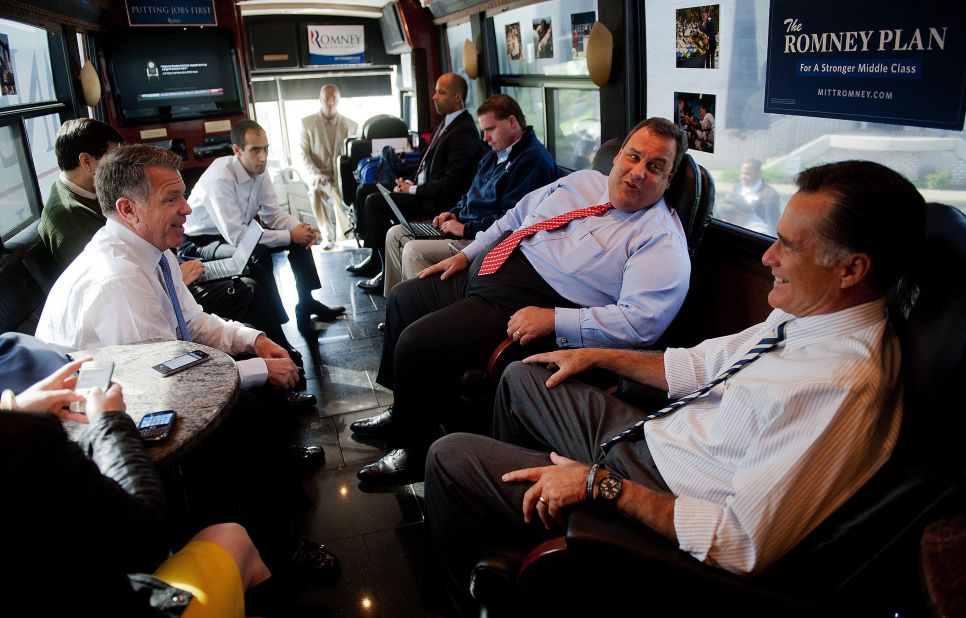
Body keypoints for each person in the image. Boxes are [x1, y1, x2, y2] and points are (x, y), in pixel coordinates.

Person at [423, 160, 927, 617]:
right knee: (525, 375)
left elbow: (740, 543)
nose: (768, 257)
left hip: (660, 493)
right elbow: (699, 365)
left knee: (449, 457)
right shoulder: (806, 315)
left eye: (789, 246)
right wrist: (593, 354)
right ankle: (527, 531)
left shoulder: (842, 386)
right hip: (658, 437)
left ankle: (508, 572)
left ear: (852, 269)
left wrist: (600, 486)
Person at [351, 117, 692, 484]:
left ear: (668, 180)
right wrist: (467, 254)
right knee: (404, 298)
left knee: (418, 343)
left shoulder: (661, 242)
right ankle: (404, 407)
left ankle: (413, 449)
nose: (637, 172)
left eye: (654, 167)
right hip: (490, 268)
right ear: (619, 154)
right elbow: (515, 217)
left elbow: (639, 323)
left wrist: (555, 319)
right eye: (634, 156)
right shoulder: (583, 181)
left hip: (532, 302)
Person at [0, 361, 272, 617]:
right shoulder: (29, 440)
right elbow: (145, 538)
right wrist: (110, 421)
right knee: (232, 536)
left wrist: (13, 408)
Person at [37, 119, 305, 374]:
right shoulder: (119, 278)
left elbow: (192, 322)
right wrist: (258, 369)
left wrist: (254, 340)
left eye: (183, 196)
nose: (187, 208)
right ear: (128, 209)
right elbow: (164, 372)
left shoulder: (158, 250)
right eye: (171, 199)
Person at [381, 94, 557, 295]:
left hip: (484, 239)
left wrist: (464, 229)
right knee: (395, 234)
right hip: (464, 226)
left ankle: (421, 316)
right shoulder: (494, 153)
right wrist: (454, 213)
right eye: (483, 131)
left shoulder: (531, 162)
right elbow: (470, 194)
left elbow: (512, 221)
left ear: (512, 122)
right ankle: (396, 310)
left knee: (413, 251)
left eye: (490, 129)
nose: (485, 138)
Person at [182, 120, 345, 328]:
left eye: (266, 149)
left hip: (235, 234)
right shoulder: (220, 179)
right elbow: (239, 238)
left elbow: (272, 215)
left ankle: (307, 302)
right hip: (202, 243)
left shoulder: (260, 171)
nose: (263, 157)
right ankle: (273, 324)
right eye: (255, 150)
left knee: (299, 239)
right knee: (258, 252)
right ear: (237, 150)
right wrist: (289, 235)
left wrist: (298, 229)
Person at [346, 72, 483, 288]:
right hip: (421, 188)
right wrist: (407, 182)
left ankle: (383, 269)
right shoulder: (447, 122)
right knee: (365, 189)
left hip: (434, 200)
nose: (434, 97)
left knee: (375, 201)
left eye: (441, 92)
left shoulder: (464, 132)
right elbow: (428, 165)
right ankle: (374, 255)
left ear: (458, 97)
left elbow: (450, 185)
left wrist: (411, 190)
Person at [300, 84, 358, 248]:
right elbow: (303, 155)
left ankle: (345, 236)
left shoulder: (351, 125)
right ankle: (328, 236)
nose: (331, 102)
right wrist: (316, 174)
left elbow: (353, 157)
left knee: (340, 194)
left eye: (334, 99)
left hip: (342, 176)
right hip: (319, 175)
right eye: (327, 99)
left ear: (339, 100)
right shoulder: (307, 124)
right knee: (316, 190)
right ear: (320, 99)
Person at [724, 158, 782, 232]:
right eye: (741, 173)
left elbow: (772, 225)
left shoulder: (771, 196)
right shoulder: (737, 187)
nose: (743, 177)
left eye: (747, 174)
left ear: (759, 174)